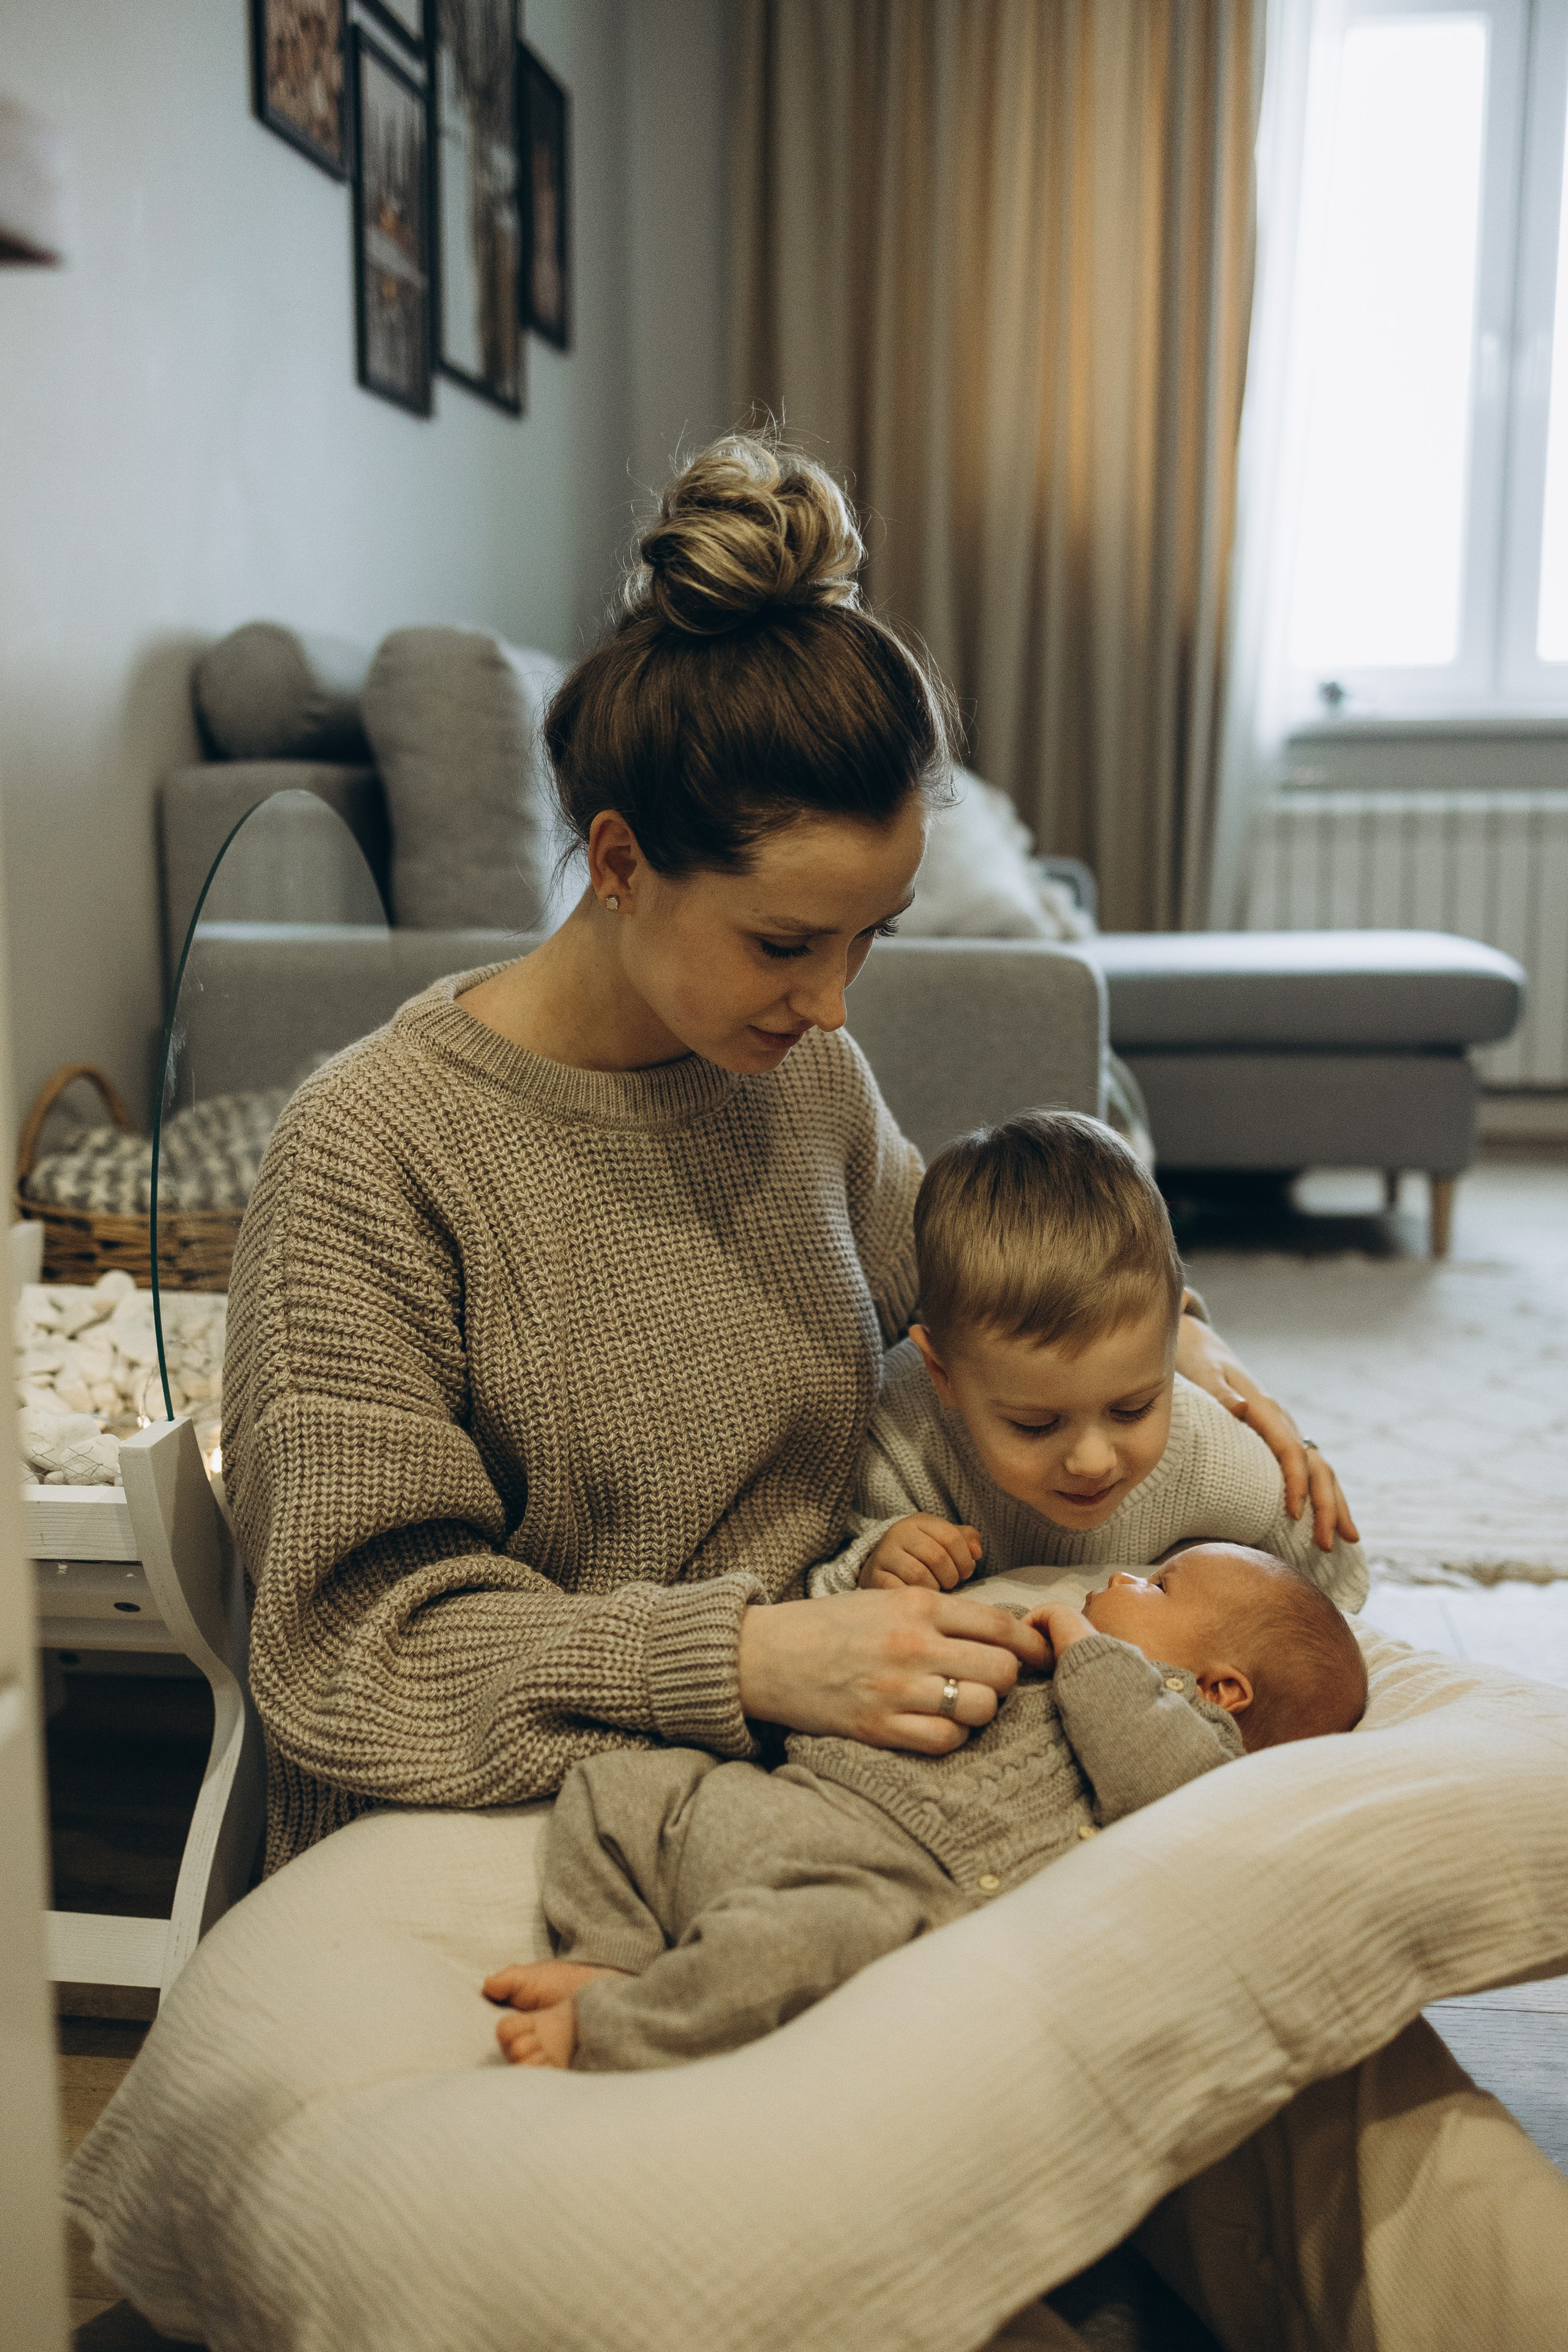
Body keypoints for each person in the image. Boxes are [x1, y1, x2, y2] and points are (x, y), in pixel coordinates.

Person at [224, 431, 1344, 1877]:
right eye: (781, 942)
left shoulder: (798, 1079)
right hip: (529, 1822)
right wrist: (749, 1656)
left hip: (838, 1757)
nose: (832, 1004)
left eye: (870, 934)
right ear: (618, 864)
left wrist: (1168, 1346)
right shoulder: (371, 1154)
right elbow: (352, 1653)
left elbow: (958, 1298)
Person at [483, 1542, 1368, 2073]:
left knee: (786, 1944)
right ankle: (614, 1951)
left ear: (1222, 1687)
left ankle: (613, 2033)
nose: (1127, 1577)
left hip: (891, 1882)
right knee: (615, 1783)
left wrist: (1092, 1653)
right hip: (788, 1805)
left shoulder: (1192, 1743)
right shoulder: (1048, 1646)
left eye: (1158, 1586)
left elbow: (1153, 1780)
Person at [808, 1110, 1368, 1610]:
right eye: (1035, 1424)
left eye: (1132, 1410)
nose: (1092, 1462)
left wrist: (1307, 1517)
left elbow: (1338, 1591)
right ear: (942, 1374)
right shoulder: (901, 1441)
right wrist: (876, 1563)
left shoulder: (1214, 1452)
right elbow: (824, 1588)